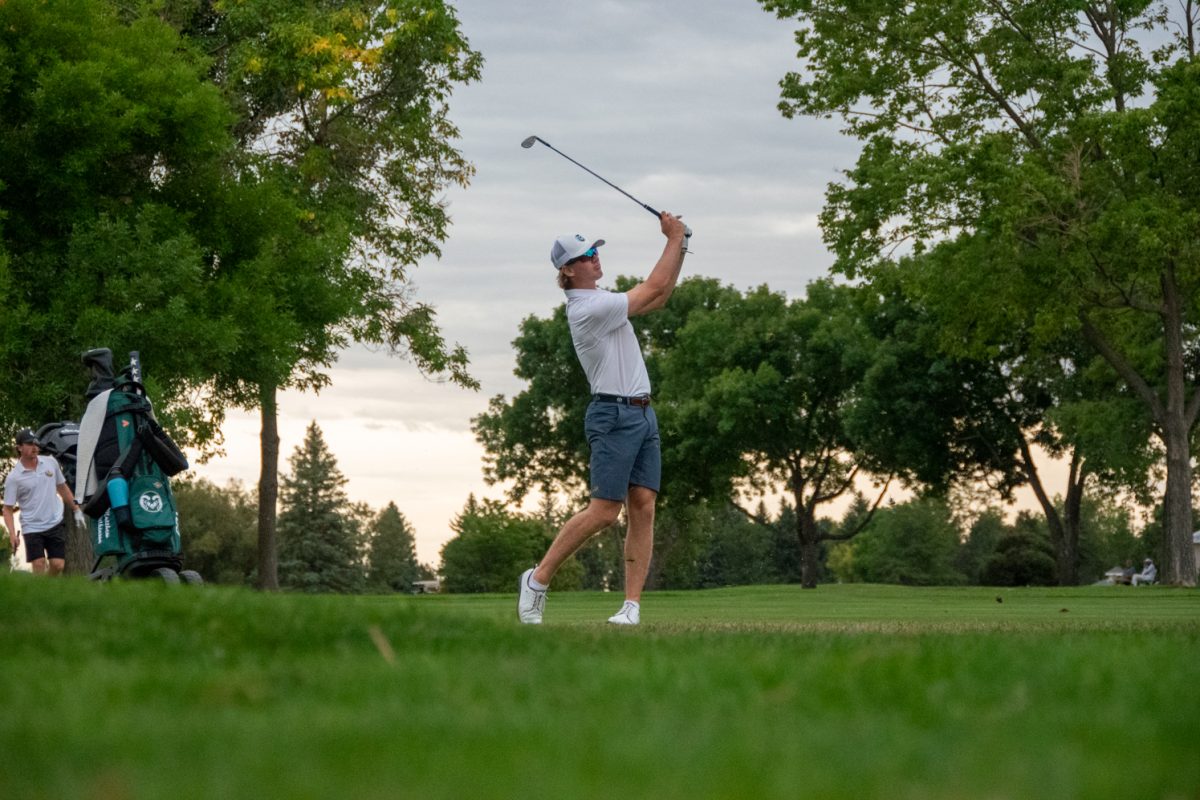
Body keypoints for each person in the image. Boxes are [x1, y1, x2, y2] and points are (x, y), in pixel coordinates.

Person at [518, 211, 688, 626]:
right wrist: (673, 238)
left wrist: (679, 245)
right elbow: (654, 288)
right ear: (569, 271)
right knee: (604, 512)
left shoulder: (603, 301)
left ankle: (630, 607)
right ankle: (537, 580)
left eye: (595, 251)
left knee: (643, 505)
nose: (596, 258)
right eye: (587, 255)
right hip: (612, 414)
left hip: (643, 413)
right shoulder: (587, 309)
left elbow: (660, 296)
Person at [3, 429, 80, 576]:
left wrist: (76, 509)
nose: (34, 447)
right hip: (32, 526)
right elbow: (7, 509)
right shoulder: (14, 478)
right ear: (19, 447)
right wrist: (12, 534)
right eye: (29, 444)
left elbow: (62, 487)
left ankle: (44, 588)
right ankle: (40, 594)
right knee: (39, 564)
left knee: (58, 565)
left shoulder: (50, 463)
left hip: (54, 522)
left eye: (36, 443)